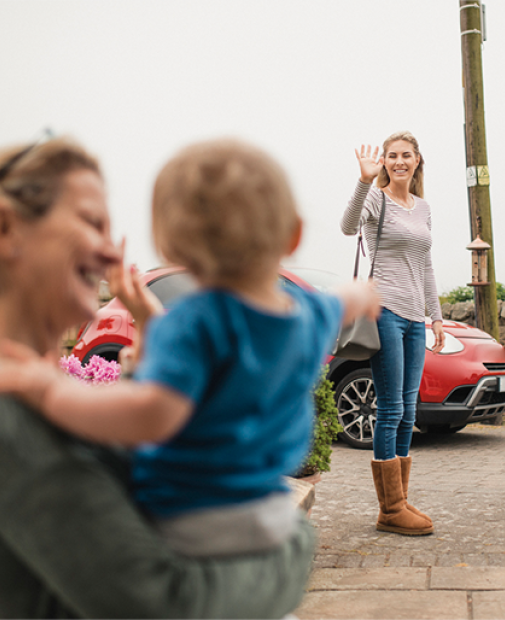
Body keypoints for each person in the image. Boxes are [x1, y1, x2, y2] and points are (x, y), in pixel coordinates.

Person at [0, 135, 375, 618]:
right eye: (92, 222)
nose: (109, 246)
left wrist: (154, 331)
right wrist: (293, 549)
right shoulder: (14, 412)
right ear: (8, 228)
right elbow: (163, 605)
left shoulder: (36, 388)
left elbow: (153, 422)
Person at [341, 131, 445, 536]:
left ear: (418, 160)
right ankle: (390, 508)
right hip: (384, 311)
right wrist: (364, 180)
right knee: (391, 410)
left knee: (409, 411)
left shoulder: (423, 209)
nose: (399, 161)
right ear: (384, 161)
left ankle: (399, 499)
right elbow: (348, 226)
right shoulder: (376, 198)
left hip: (415, 318)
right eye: (392, 156)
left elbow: (427, 265)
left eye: (406, 155)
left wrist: (435, 316)